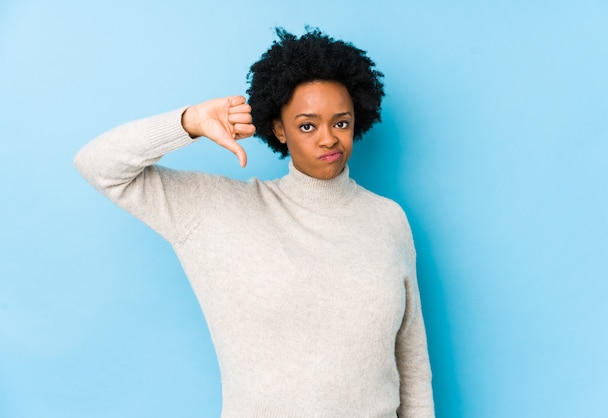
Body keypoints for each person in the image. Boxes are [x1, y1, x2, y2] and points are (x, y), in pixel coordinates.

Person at [74, 27, 435, 417]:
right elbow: (98, 165)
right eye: (307, 125)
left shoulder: (387, 219)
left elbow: (412, 369)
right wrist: (189, 122)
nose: (329, 139)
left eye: (341, 123)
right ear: (279, 129)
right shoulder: (218, 211)